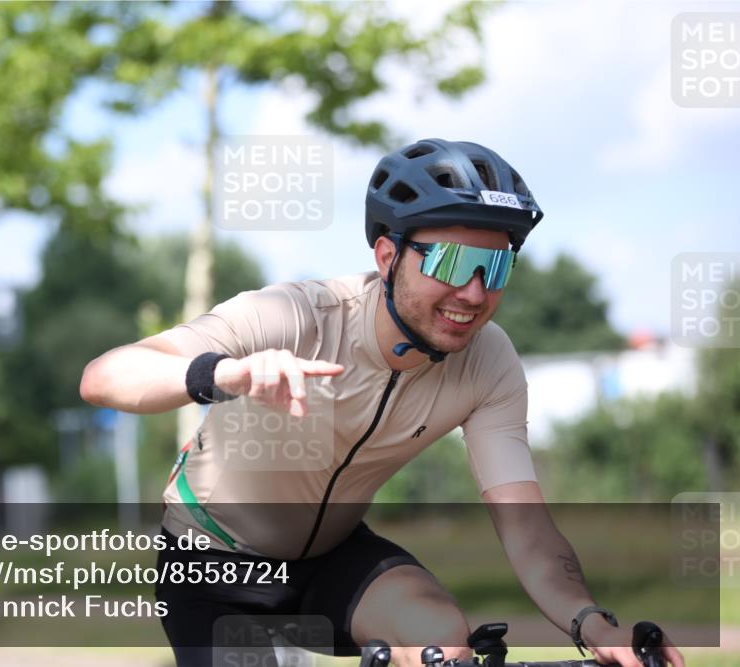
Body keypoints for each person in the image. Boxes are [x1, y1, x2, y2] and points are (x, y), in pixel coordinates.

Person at [80, 139, 685, 667]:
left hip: (333, 556)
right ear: (387, 254)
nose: (474, 293)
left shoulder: (489, 362)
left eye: (495, 266)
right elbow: (105, 376)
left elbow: (525, 528)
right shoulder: (295, 316)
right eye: (452, 261)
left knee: (442, 643)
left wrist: (595, 625)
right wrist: (227, 372)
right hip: (211, 561)